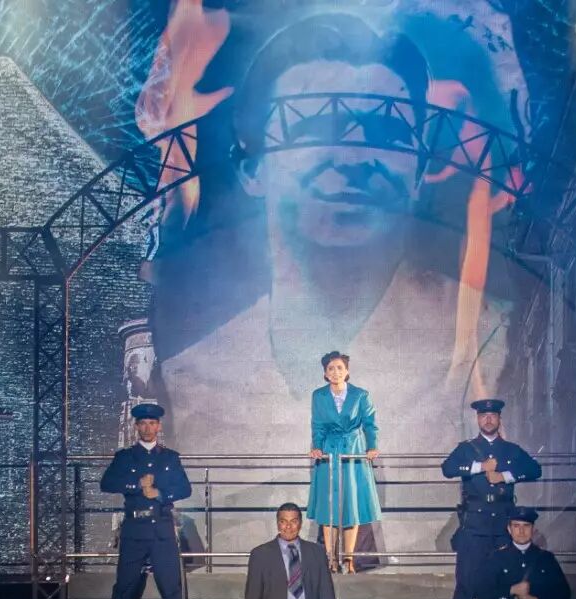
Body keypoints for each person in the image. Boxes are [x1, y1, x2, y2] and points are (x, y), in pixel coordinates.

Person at [158, 13, 509, 486]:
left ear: (419, 170)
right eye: (314, 129)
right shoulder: (192, 378)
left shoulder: (486, 340)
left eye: (387, 132)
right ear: (252, 167)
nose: (353, 158)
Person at [442, 399, 542, 599]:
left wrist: (505, 476)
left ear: (499, 419)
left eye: (492, 416)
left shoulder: (510, 450)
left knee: (502, 584)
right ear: (477, 419)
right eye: (483, 415)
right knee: (465, 585)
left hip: (502, 528)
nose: (488, 419)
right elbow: (448, 469)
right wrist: (480, 467)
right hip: (474, 527)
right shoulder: (467, 449)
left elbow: (534, 469)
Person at [101, 402, 192, 599]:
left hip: (161, 528)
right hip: (134, 529)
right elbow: (106, 483)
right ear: (136, 426)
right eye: (143, 423)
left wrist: (160, 493)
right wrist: (135, 484)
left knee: (171, 587)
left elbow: (185, 489)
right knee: (123, 587)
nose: (148, 428)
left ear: (159, 426)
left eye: (152, 423)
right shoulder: (125, 457)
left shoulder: (170, 457)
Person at [305, 351, 381, 571]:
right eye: (331, 368)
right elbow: (318, 425)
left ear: (347, 371)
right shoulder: (319, 396)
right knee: (328, 505)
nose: (335, 372)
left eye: (339, 368)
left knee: (351, 504)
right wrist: (317, 447)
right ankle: (330, 558)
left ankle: (349, 559)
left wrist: (372, 446)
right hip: (330, 450)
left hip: (353, 449)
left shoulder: (360, 395)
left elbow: (370, 423)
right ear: (325, 373)